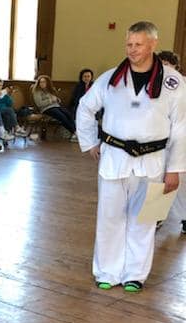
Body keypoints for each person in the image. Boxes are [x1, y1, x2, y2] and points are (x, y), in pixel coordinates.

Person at [77, 21, 186, 292]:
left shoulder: (173, 82)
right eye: (129, 44)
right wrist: (90, 142)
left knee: (145, 220)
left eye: (138, 44)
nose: (132, 49)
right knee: (109, 216)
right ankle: (107, 271)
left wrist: (175, 169)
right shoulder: (110, 78)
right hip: (114, 157)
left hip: (154, 160)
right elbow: (85, 107)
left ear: (153, 44)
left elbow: (181, 127)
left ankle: (135, 274)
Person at [156, 50, 186, 235]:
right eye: (161, 63)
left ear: (176, 66)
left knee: (180, 181)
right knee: (159, 179)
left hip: (181, 138)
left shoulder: (182, 83)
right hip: (160, 139)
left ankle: (185, 217)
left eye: (167, 63)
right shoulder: (154, 84)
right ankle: (157, 215)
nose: (164, 67)